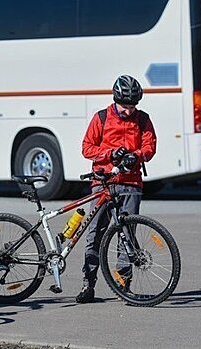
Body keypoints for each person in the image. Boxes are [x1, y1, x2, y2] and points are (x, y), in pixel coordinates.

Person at [78, 75, 157, 303]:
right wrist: (110, 154)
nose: (128, 111)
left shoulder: (143, 120)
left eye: (133, 107)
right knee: (94, 234)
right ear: (115, 100)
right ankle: (88, 284)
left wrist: (137, 155)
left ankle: (124, 285)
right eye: (124, 107)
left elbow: (149, 146)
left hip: (131, 183)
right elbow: (87, 148)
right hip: (103, 183)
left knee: (127, 235)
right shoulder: (101, 118)